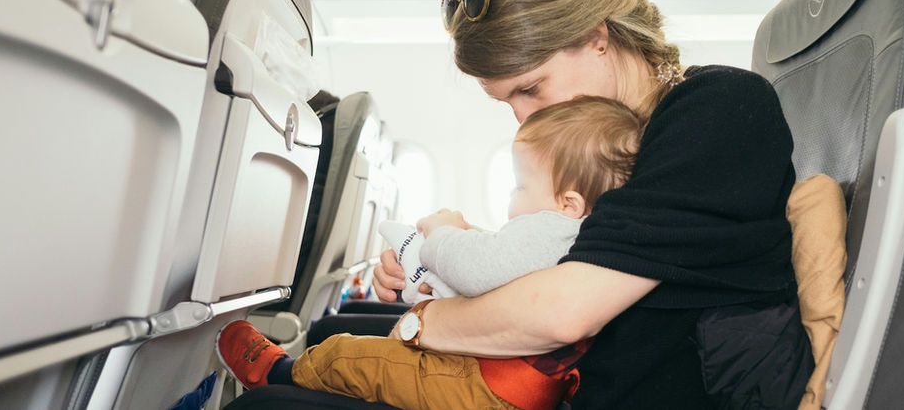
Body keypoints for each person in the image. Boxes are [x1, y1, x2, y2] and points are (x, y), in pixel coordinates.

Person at [366, 0, 814, 408]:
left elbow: (561, 314)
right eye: (506, 101)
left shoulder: (719, 108)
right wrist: (438, 264)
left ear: (596, 39)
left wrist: (423, 321)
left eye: (531, 88)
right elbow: (576, 255)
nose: (523, 117)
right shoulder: (593, 144)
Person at [217, 96, 645, 410]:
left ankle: (279, 373)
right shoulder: (584, 234)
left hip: (485, 388)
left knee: (353, 355)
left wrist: (443, 233)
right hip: (508, 386)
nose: (513, 200)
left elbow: (477, 270)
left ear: (569, 203)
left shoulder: (554, 228)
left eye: (520, 187)